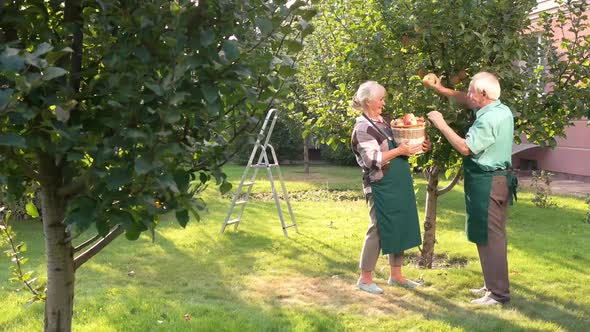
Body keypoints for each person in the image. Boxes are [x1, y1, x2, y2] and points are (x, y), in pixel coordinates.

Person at [425, 72, 517, 305]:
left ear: (483, 94)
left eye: (471, 90)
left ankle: (498, 295)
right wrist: (441, 90)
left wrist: (440, 123)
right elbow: (466, 100)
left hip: (488, 182)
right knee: (485, 235)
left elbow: (466, 148)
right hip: (493, 180)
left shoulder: (488, 120)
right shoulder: (499, 108)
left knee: (491, 238)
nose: (467, 95)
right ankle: (491, 285)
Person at [351, 81, 431, 294]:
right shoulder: (363, 127)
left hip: (398, 180)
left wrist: (418, 146)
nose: (383, 103)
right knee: (378, 228)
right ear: (368, 101)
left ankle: (396, 276)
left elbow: (398, 147)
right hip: (380, 185)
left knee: (399, 224)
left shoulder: (382, 123)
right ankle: (365, 278)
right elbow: (372, 159)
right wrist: (399, 151)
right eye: (381, 99)